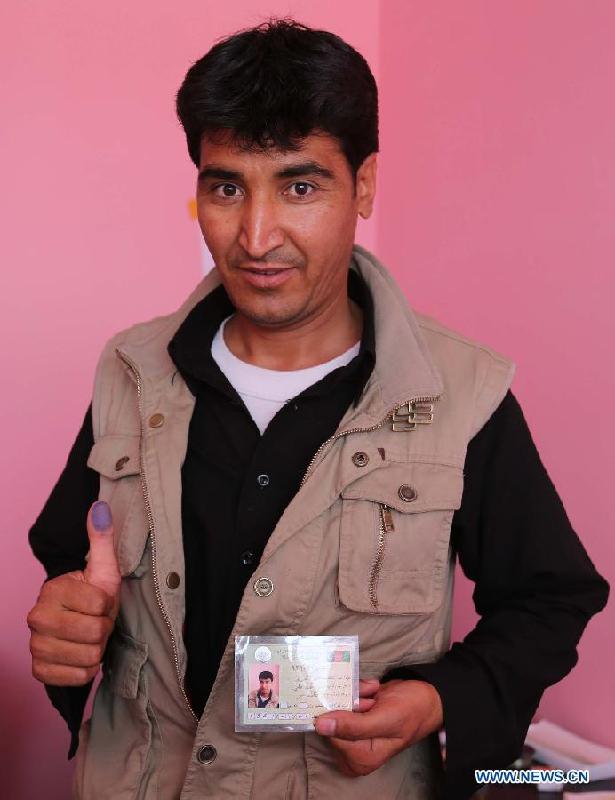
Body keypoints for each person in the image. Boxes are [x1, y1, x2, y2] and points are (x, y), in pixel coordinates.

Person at [26, 19, 608, 800]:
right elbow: (70, 565)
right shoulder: (129, 369)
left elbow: (549, 597)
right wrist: (67, 626)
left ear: (363, 185)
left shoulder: (460, 394)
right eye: (226, 186)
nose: (256, 236)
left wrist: (437, 699)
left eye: (300, 186)